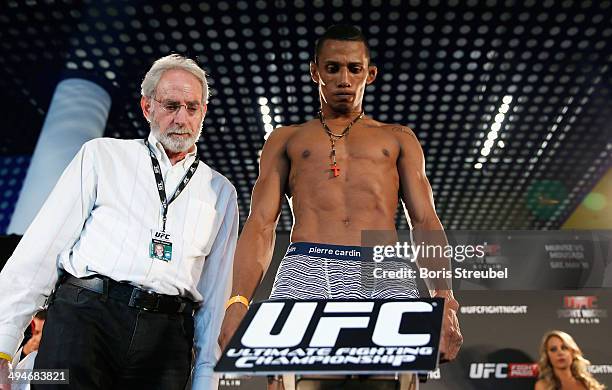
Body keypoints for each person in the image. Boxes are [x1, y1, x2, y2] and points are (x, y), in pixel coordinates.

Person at [218, 25, 462, 388]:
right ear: (315, 71)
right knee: (298, 383)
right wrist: (237, 301)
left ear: (370, 73)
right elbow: (261, 223)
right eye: (332, 68)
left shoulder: (398, 138)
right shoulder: (286, 138)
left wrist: (445, 300)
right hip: (307, 267)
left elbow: (425, 220)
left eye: (354, 68)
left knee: (391, 383)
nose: (344, 79)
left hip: (382, 270)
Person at [0, 54, 238, 390]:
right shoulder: (102, 155)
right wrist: (3, 348)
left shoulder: (221, 192)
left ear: (203, 112)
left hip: (167, 336)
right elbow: (39, 252)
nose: (181, 118)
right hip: (85, 319)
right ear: (147, 107)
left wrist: (205, 379)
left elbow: (215, 295)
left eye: (192, 107)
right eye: (171, 105)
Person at [535, 330, 605, 390]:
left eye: (564, 348)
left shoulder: (587, 383)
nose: (560, 353)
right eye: (553, 349)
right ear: (547, 355)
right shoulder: (543, 386)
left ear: (572, 352)